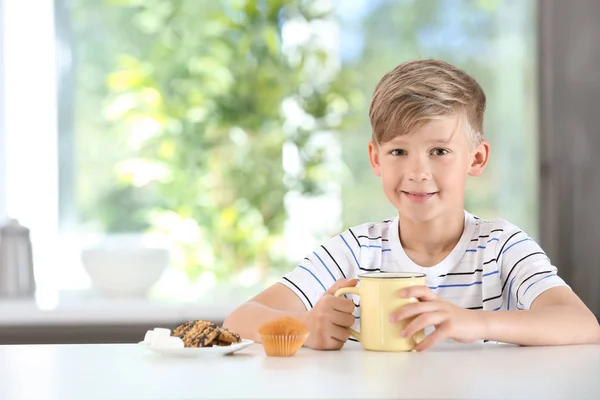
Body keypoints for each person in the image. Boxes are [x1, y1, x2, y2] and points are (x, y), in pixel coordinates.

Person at [223, 59, 600, 351]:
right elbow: (241, 318)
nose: (417, 172)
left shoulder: (501, 246)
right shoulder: (354, 251)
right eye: (399, 151)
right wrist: (307, 328)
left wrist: (476, 323)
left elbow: (582, 324)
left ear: (476, 159)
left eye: (439, 151)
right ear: (375, 158)